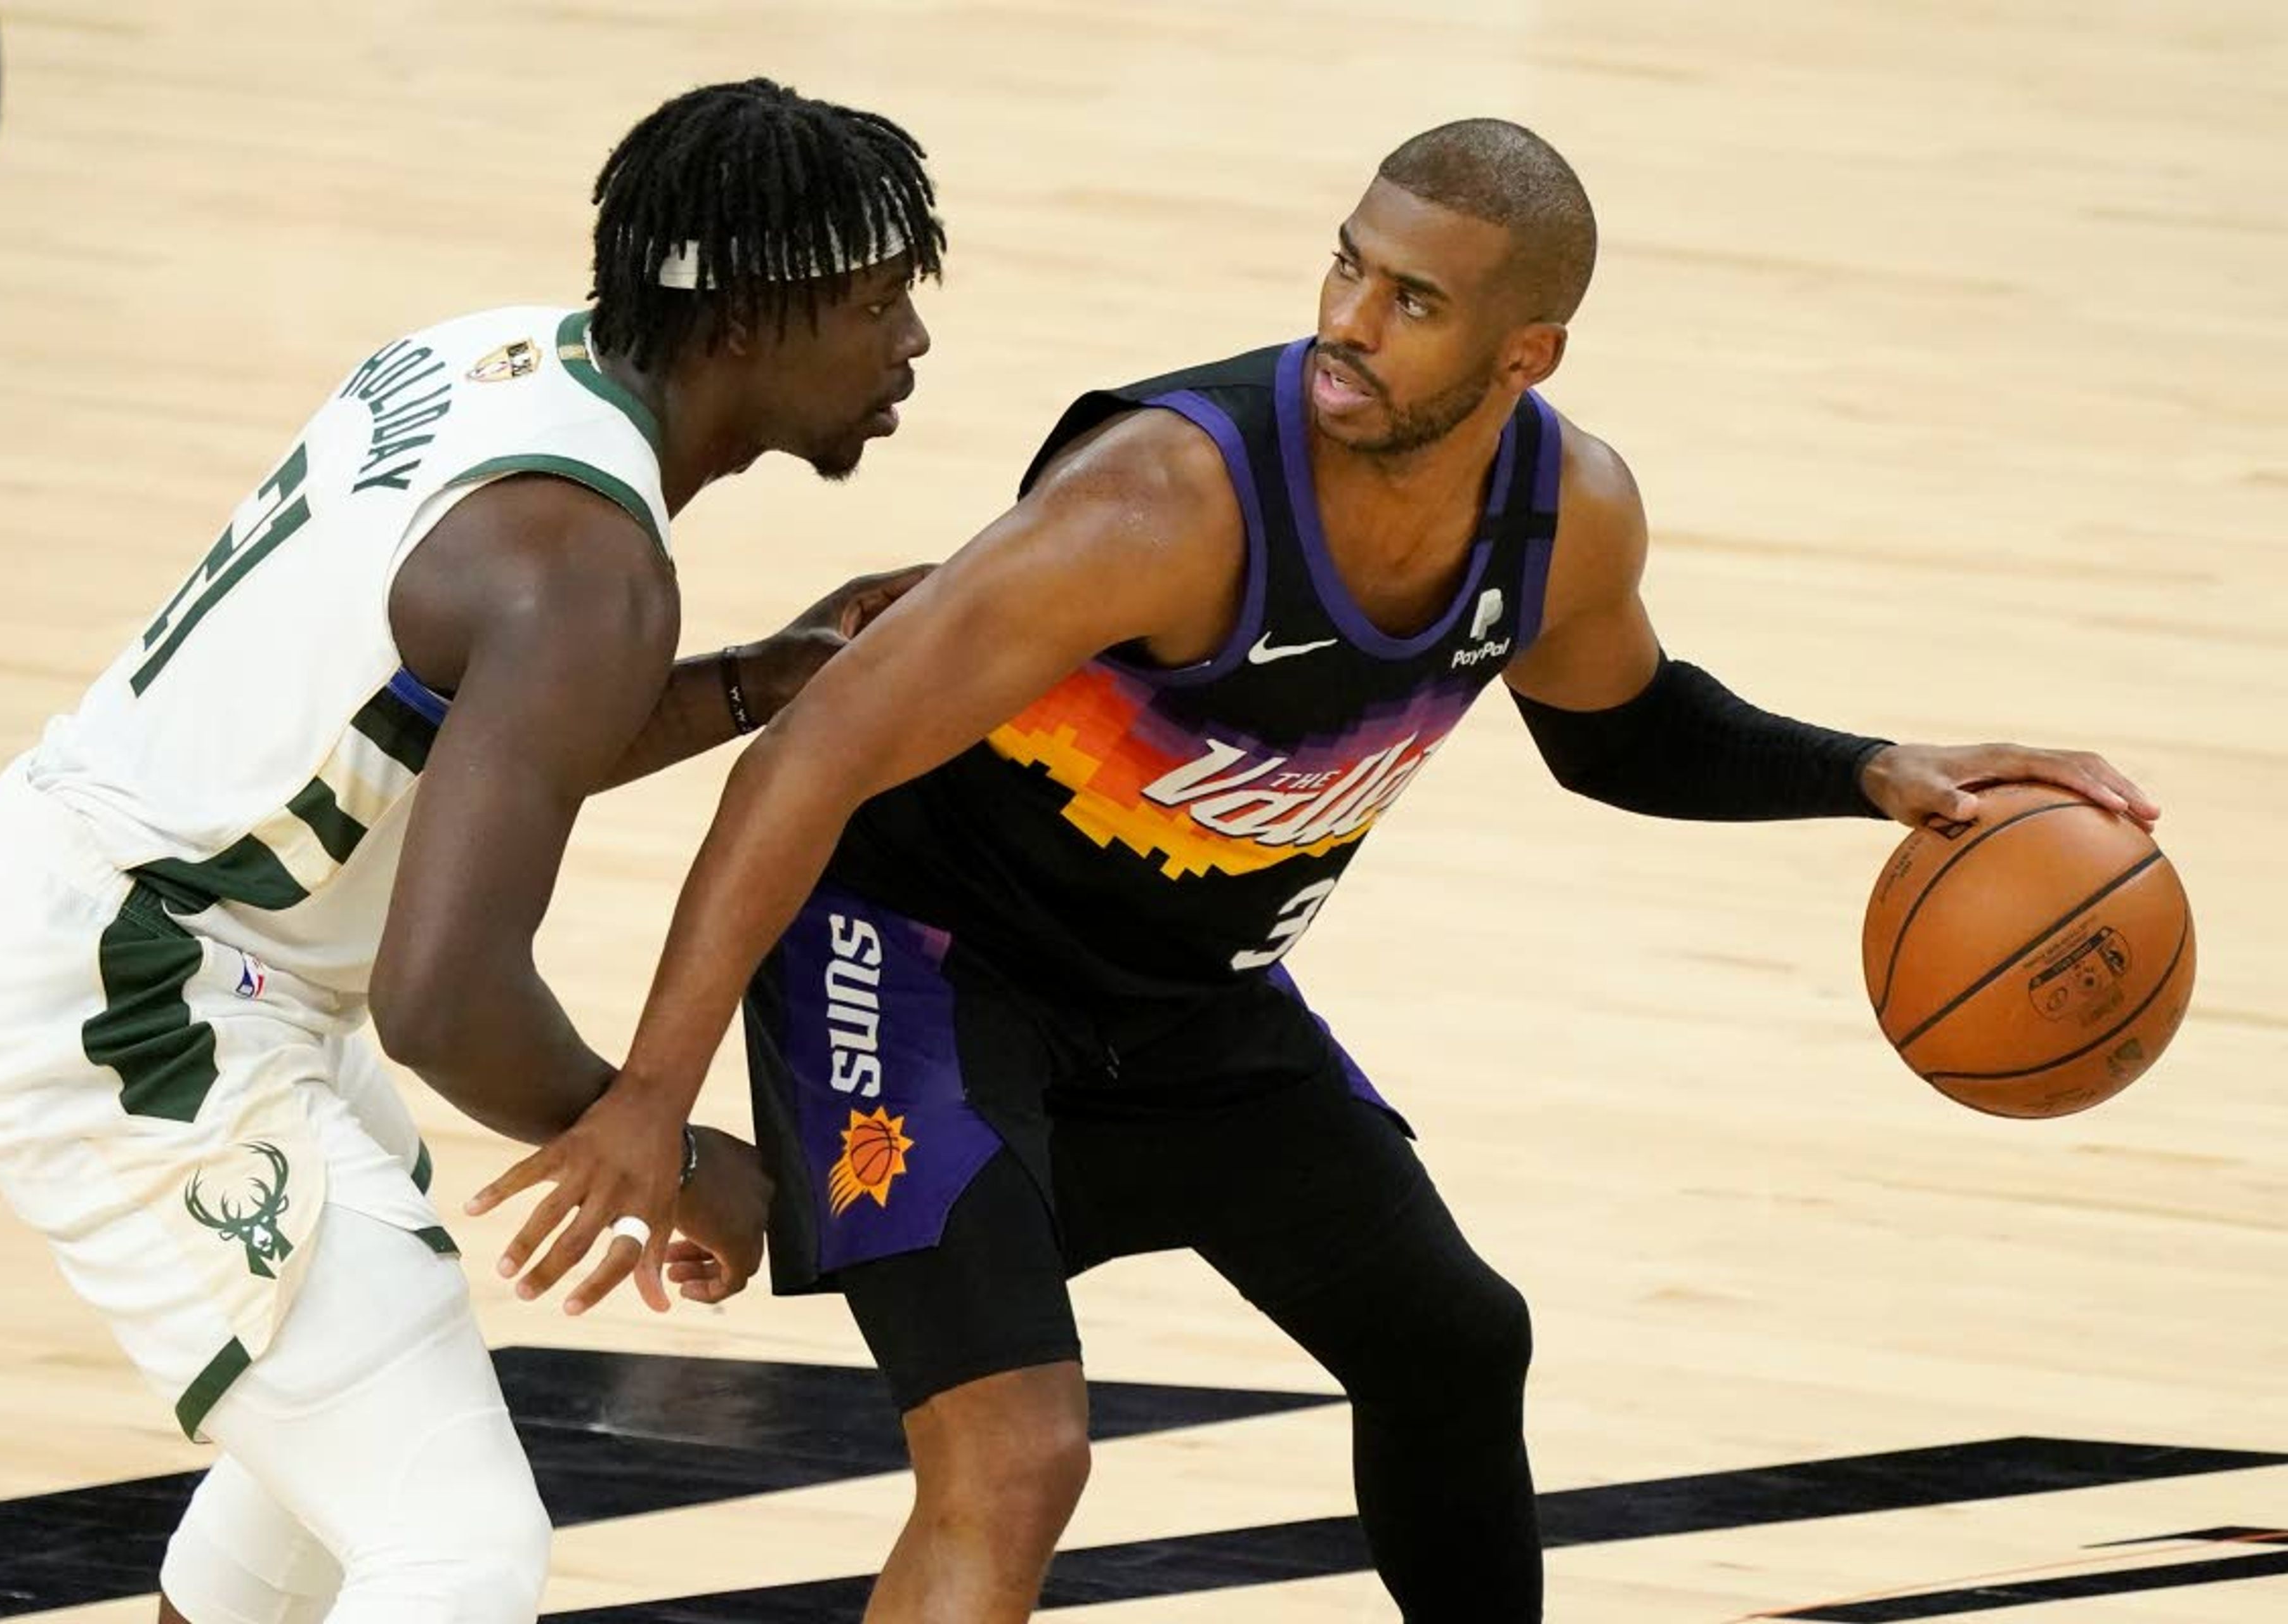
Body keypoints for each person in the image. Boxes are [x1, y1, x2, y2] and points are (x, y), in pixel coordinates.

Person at [473, 118, 2159, 1621]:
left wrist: (1877, 774)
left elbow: (1623, 733)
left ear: (1527, 352)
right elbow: (811, 752)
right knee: (1018, 1463)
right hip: (923, 973)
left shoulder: (1567, 518)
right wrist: (648, 1094)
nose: (1350, 322)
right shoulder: (1166, 496)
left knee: (1452, 1340)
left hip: (1186, 1003)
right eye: (1350, 270)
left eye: (1414, 301)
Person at [0, 78, 940, 1624]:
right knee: (456, 1547)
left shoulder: (498, 356)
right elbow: (445, 998)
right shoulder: (584, 568)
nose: (911, 341)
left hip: (144, 916)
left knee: (314, 1492)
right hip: (139, 989)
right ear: (744, 320)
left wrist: (764, 676)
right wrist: (659, 1147)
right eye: (874, 302)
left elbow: (478, 737)